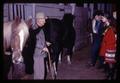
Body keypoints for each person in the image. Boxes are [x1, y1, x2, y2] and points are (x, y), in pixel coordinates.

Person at [99, 15, 117, 80]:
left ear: (108, 19)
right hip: (108, 47)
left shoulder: (111, 28)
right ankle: (109, 75)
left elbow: (113, 39)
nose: (102, 19)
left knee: (110, 62)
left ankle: (110, 77)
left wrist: (105, 39)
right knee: (109, 62)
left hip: (110, 47)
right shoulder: (108, 26)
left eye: (103, 18)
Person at [33, 12, 49, 79]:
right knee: (39, 74)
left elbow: (39, 39)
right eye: (43, 19)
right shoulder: (34, 29)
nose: (45, 21)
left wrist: (45, 43)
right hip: (37, 54)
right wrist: (43, 47)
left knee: (41, 73)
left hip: (41, 54)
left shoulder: (41, 28)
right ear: (39, 20)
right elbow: (33, 41)